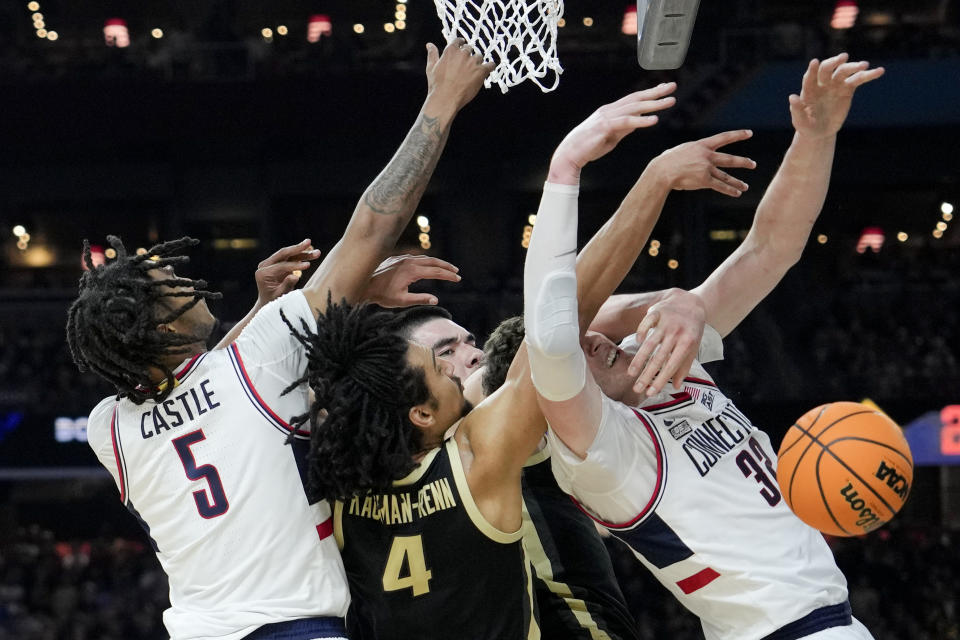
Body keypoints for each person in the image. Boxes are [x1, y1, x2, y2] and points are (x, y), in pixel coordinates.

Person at [292, 84, 756, 639]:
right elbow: (557, 326)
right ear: (417, 413)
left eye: (466, 341)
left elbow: (314, 364)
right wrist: (645, 183)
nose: (472, 354)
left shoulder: (342, 485)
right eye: (447, 358)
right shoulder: (473, 455)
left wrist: (357, 298)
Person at [66, 39, 492, 640]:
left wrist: (296, 304)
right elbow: (374, 224)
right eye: (174, 287)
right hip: (292, 627)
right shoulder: (257, 359)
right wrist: (442, 104)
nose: (191, 285)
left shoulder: (107, 428)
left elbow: (195, 384)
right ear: (159, 327)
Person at [523, 53, 885, 640]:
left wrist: (814, 138)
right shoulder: (604, 453)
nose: (593, 338)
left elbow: (771, 248)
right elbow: (551, 333)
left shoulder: (661, 355)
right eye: (581, 346)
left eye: (599, 331)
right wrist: (566, 168)